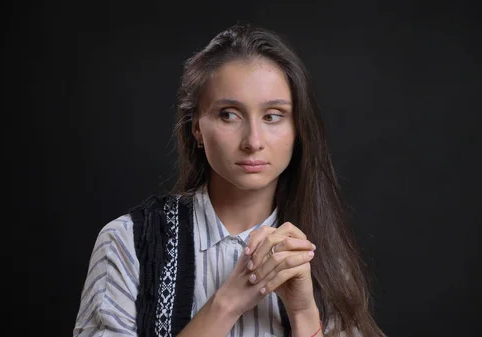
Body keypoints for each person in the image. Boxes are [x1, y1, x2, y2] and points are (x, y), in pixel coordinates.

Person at [73, 23, 386, 337]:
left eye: (273, 115)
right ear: (196, 127)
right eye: (229, 114)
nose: (253, 140)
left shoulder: (325, 257)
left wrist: (303, 313)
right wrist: (227, 303)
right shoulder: (129, 243)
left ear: (297, 128)